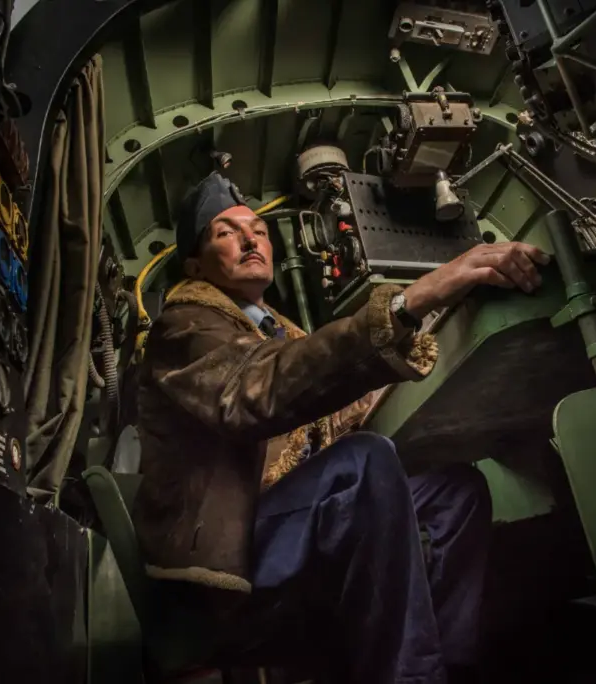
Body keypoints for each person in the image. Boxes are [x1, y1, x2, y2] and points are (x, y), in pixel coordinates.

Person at [132, 172, 549, 684]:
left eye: (258, 230)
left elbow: (330, 401)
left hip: (286, 529)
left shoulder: (277, 332)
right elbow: (256, 390)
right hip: (228, 564)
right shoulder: (184, 326)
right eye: (225, 231)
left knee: (454, 492)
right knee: (362, 463)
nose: (249, 239)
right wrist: (410, 300)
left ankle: (445, 664)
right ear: (195, 264)